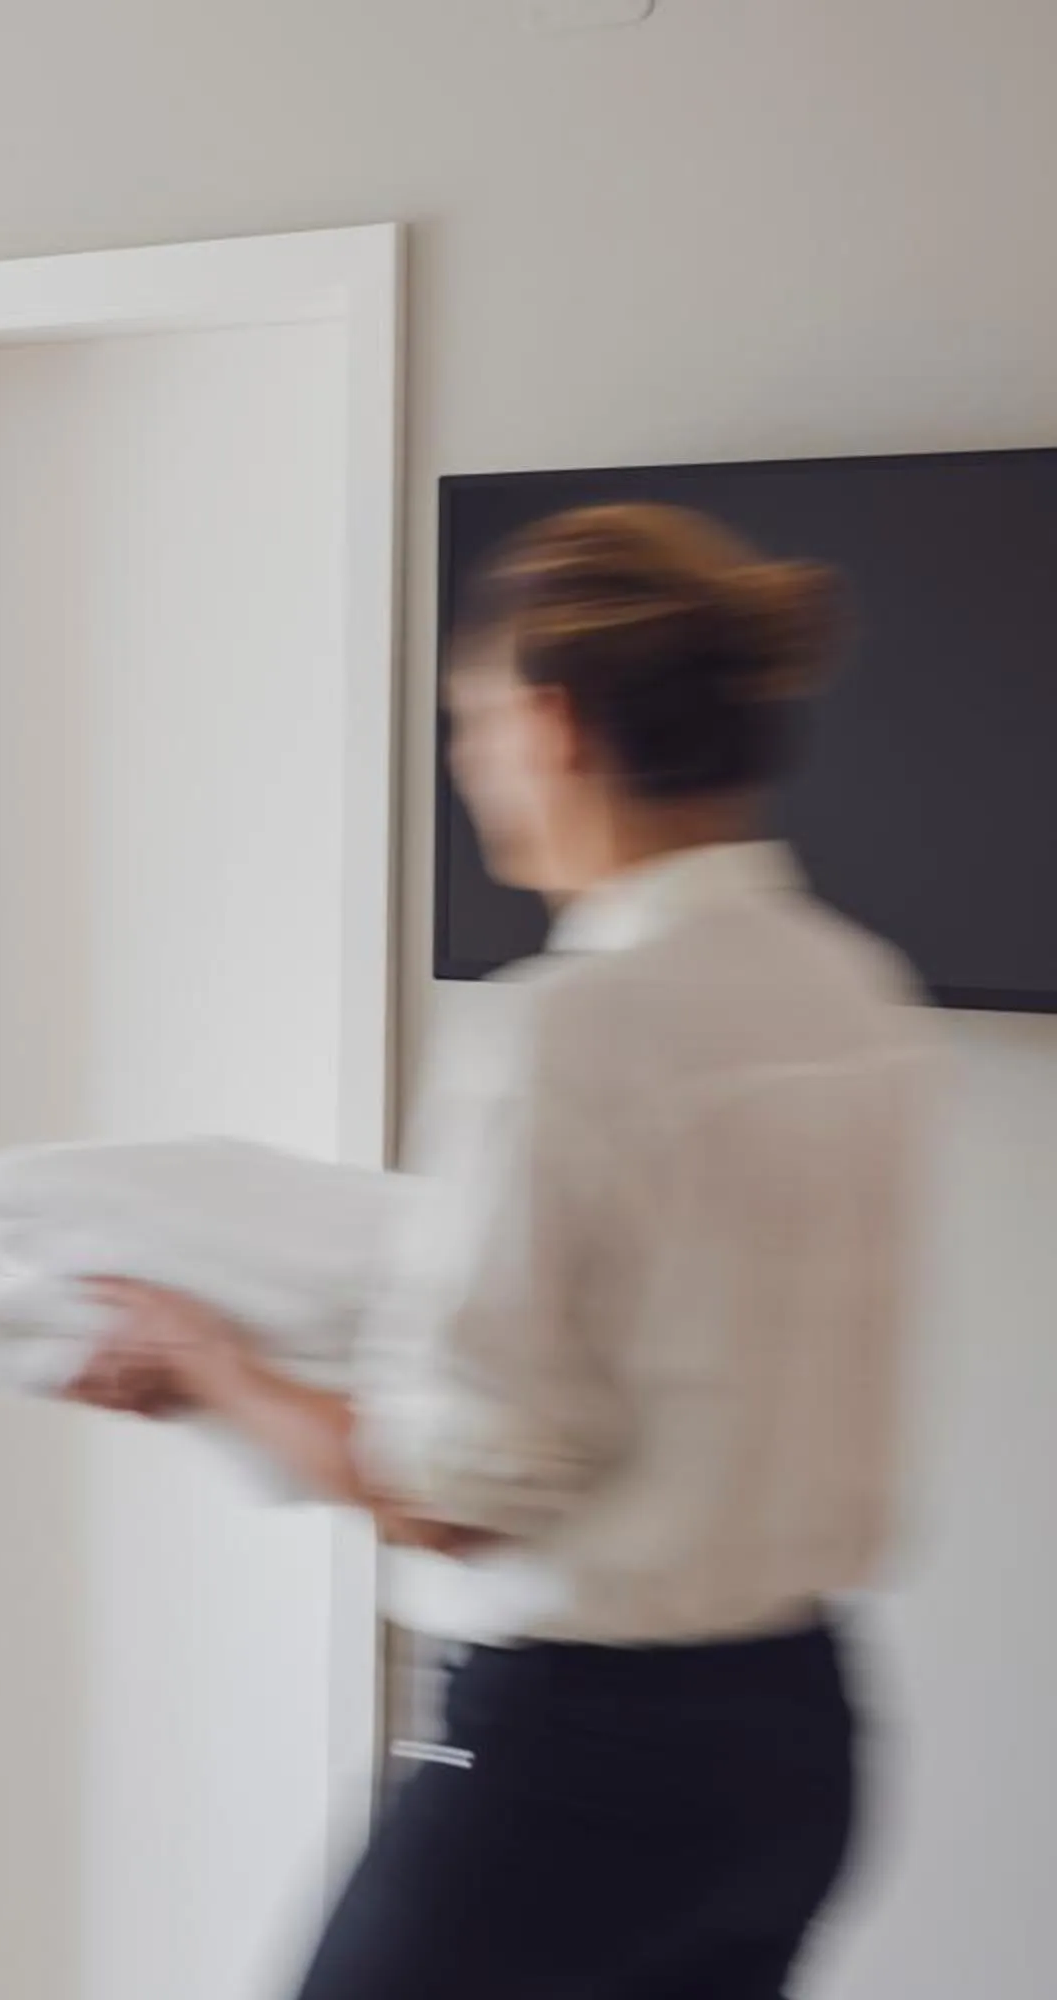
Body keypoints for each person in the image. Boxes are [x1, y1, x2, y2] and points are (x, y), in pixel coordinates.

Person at [79, 503, 936, 1998]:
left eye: (470, 719)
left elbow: (453, 1497)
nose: (469, 759)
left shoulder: (564, 1029)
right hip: (800, 1744)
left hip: (581, 1766)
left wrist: (208, 1364)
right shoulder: (861, 996)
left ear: (549, 725)